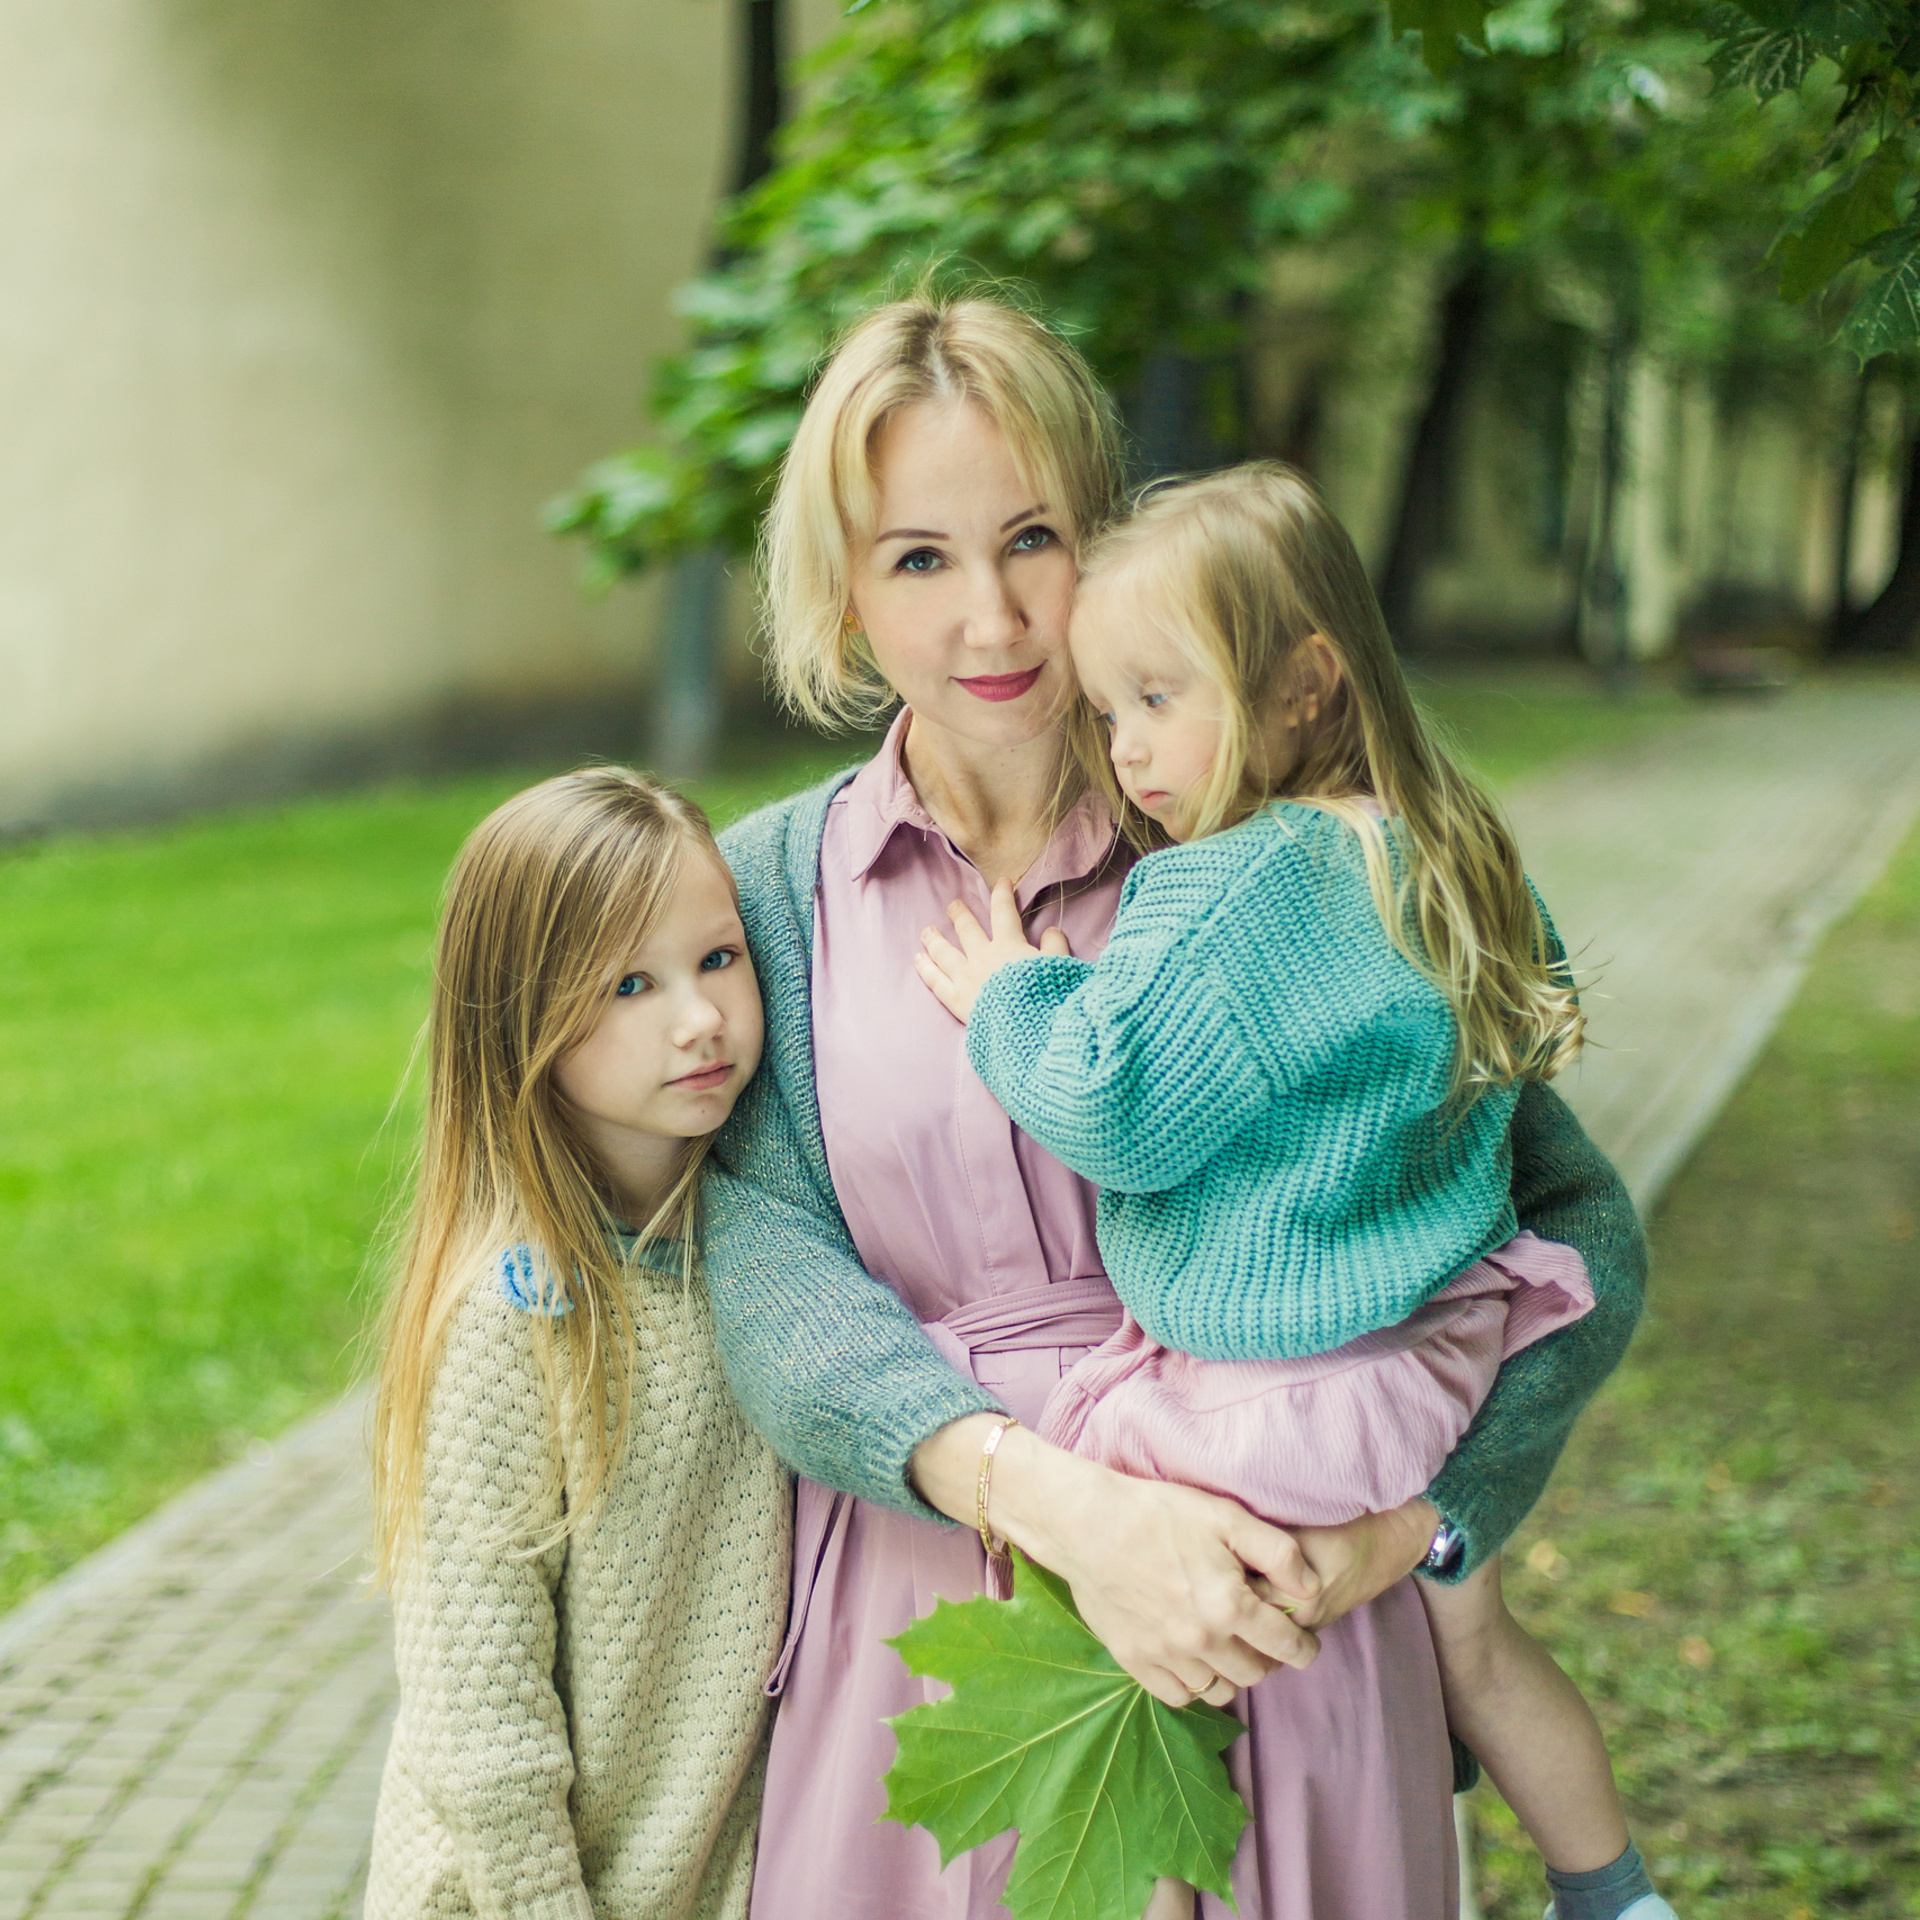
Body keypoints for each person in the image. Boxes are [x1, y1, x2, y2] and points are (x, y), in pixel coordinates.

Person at [697, 292, 1650, 1918]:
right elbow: (759, 1260)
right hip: (933, 1616)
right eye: (918, 559)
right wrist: (1051, 1499)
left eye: (1034, 538)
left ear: (1111, 542)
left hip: (1284, 1605)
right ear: (846, 599)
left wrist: (1411, 1534)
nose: (991, 617)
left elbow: (1569, 1230)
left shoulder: (1288, 855)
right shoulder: (773, 887)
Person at [915, 462, 1675, 1920]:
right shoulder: (1453, 852)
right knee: (1480, 1646)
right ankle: (1616, 1891)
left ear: (1304, 684)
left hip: (1270, 1398)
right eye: (1108, 707)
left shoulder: (1230, 886)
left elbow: (1115, 1110)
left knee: (1141, 1648)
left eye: (1160, 697)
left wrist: (1013, 995)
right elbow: (1523, 1054)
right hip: (1432, 1365)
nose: (1130, 752)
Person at [362, 770, 789, 1920]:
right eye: (630, 985)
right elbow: (478, 1723)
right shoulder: (513, 1323)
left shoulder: (756, 1247)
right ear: (524, 1019)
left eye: (718, 959)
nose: (698, 1017)